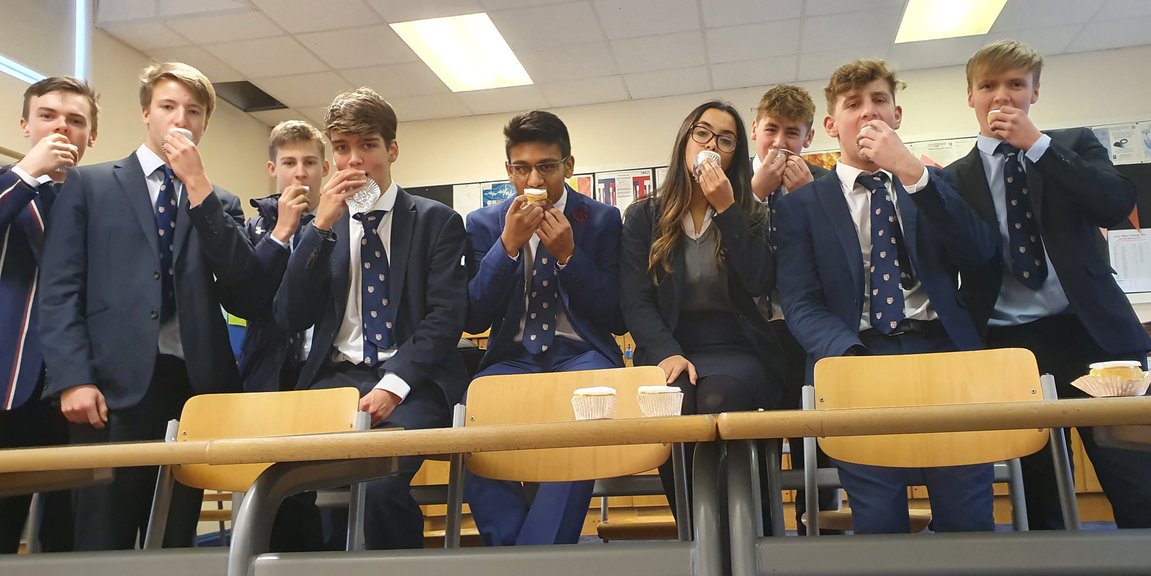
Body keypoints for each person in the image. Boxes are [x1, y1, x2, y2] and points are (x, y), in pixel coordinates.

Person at [945, 39, 1151, 530]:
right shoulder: (953, 179)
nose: (1002, 96)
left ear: (1035, 92)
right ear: (970, 96)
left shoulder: (1073, 145)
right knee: (1042, 497)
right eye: (988, 86)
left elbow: (1114, 205)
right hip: (1011, 348)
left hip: (1096, 335)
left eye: (1016, 84)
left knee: (1140, 484)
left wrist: (1038, 146)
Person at [39, 62, 260, 549]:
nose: (180, 119)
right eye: (167, 106)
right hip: (106, 389)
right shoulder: (90, 185)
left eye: (193, 111)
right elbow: (59, 289)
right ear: (146, 113)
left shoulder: (219, 200)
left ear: (205, 124)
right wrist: (73, 377)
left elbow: (244, 290)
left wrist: (199, 186)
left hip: (193, 389)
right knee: (102, 538)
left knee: (174, 540)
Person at [774, 59, 999, 534]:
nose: (869, 112)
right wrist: (847, 356)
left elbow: (980, 254)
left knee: (970, 520)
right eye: (853, 104)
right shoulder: (802, 206)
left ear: (897, 115)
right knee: (878, 522)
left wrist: (913, 175)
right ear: (831, 125)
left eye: (879, 101)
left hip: (942, 353)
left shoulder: (933, 183)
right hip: (858, 356)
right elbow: (800, 301)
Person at [274, 87, 469, 550]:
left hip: (413, 383)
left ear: (392, 150)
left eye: (368, 145)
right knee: (281, 478)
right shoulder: (321, 227)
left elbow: (445, 318)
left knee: (379, 484)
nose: (355, 161)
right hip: (334, 381)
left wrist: (393, 386)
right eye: (342, 148)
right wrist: (320, 228)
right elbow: (289, 315)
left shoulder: (436, 221)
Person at [462, 110, 624, 546]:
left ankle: (531, 557)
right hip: (512, 358)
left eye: (547, 166)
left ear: (568, 165)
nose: (534, 179)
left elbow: (617, 316)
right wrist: (507, 247)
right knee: (471, 416)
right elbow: (474, 317)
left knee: (589, 411)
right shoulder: (484, 224)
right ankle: (523, 553)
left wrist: (570, 256)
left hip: (582, 354)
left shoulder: (602, 219)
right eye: (522, 168)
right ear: (508, 171)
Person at [620, 100, 782, 517]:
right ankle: (696, 531)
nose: (711, 145)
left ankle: (743, 527)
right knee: (672, 402)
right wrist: (666, 352)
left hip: (738, 348)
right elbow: (636, 299)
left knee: (717, 397)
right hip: (671, 348)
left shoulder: (749, 213)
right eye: (703, 133)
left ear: (734, 157)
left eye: (726, 140)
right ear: (685, 141)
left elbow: (759, 281)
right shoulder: (644, 216)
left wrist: (727, 210)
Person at [0, 75, 97, 553]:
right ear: (25, 125)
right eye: (47, 116)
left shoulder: (101, 198)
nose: (62, 127)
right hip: (7, 385)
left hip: (77, 391)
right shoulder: (6, 183)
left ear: (91, 136)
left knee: (67, 539)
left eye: (75, 120)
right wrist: (26, 174)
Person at [747, 84, 838, 527]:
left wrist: (809, 202)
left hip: (811, 332)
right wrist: (754, 196)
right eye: (771, 130)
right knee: (761, 441)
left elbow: (838, 263)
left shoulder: (826, 185)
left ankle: (821, 534)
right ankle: (763, 536)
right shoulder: (730, 186)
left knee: (817, 439)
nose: (780, 143)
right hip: (753, 333)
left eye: (792, 133)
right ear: (754, 130)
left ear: (809, 138)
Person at [239, 120, 328, 393]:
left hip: (327, 370)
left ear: (325, 168)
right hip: (266, 372)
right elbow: (246, 299)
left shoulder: (345, 228)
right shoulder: (252, 230)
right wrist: (281, 232)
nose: (300, 173)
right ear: (272, 169)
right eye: (289, 163)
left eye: (310, 162)